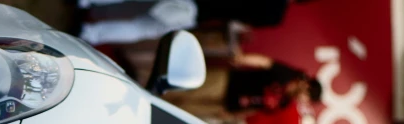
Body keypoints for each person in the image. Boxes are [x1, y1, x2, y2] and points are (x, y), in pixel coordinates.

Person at [162, 52, 322, 121]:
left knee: (185, 108)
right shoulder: (288, 75)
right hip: (228, 82)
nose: (304, 100)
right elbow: (265, 62)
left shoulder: (284, 103)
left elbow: (256, 108)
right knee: (183, 89)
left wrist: (232, 115)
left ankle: (157, 106)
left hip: (227, 106)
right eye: (307, 96)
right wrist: (243, 59)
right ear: (306, 86)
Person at [76, 0, 316, 45]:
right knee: (143, 27)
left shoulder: (275, 15)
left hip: (201, 4)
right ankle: (89, 32)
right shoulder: (274, 17)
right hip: (198, 13)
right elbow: (238, 22)